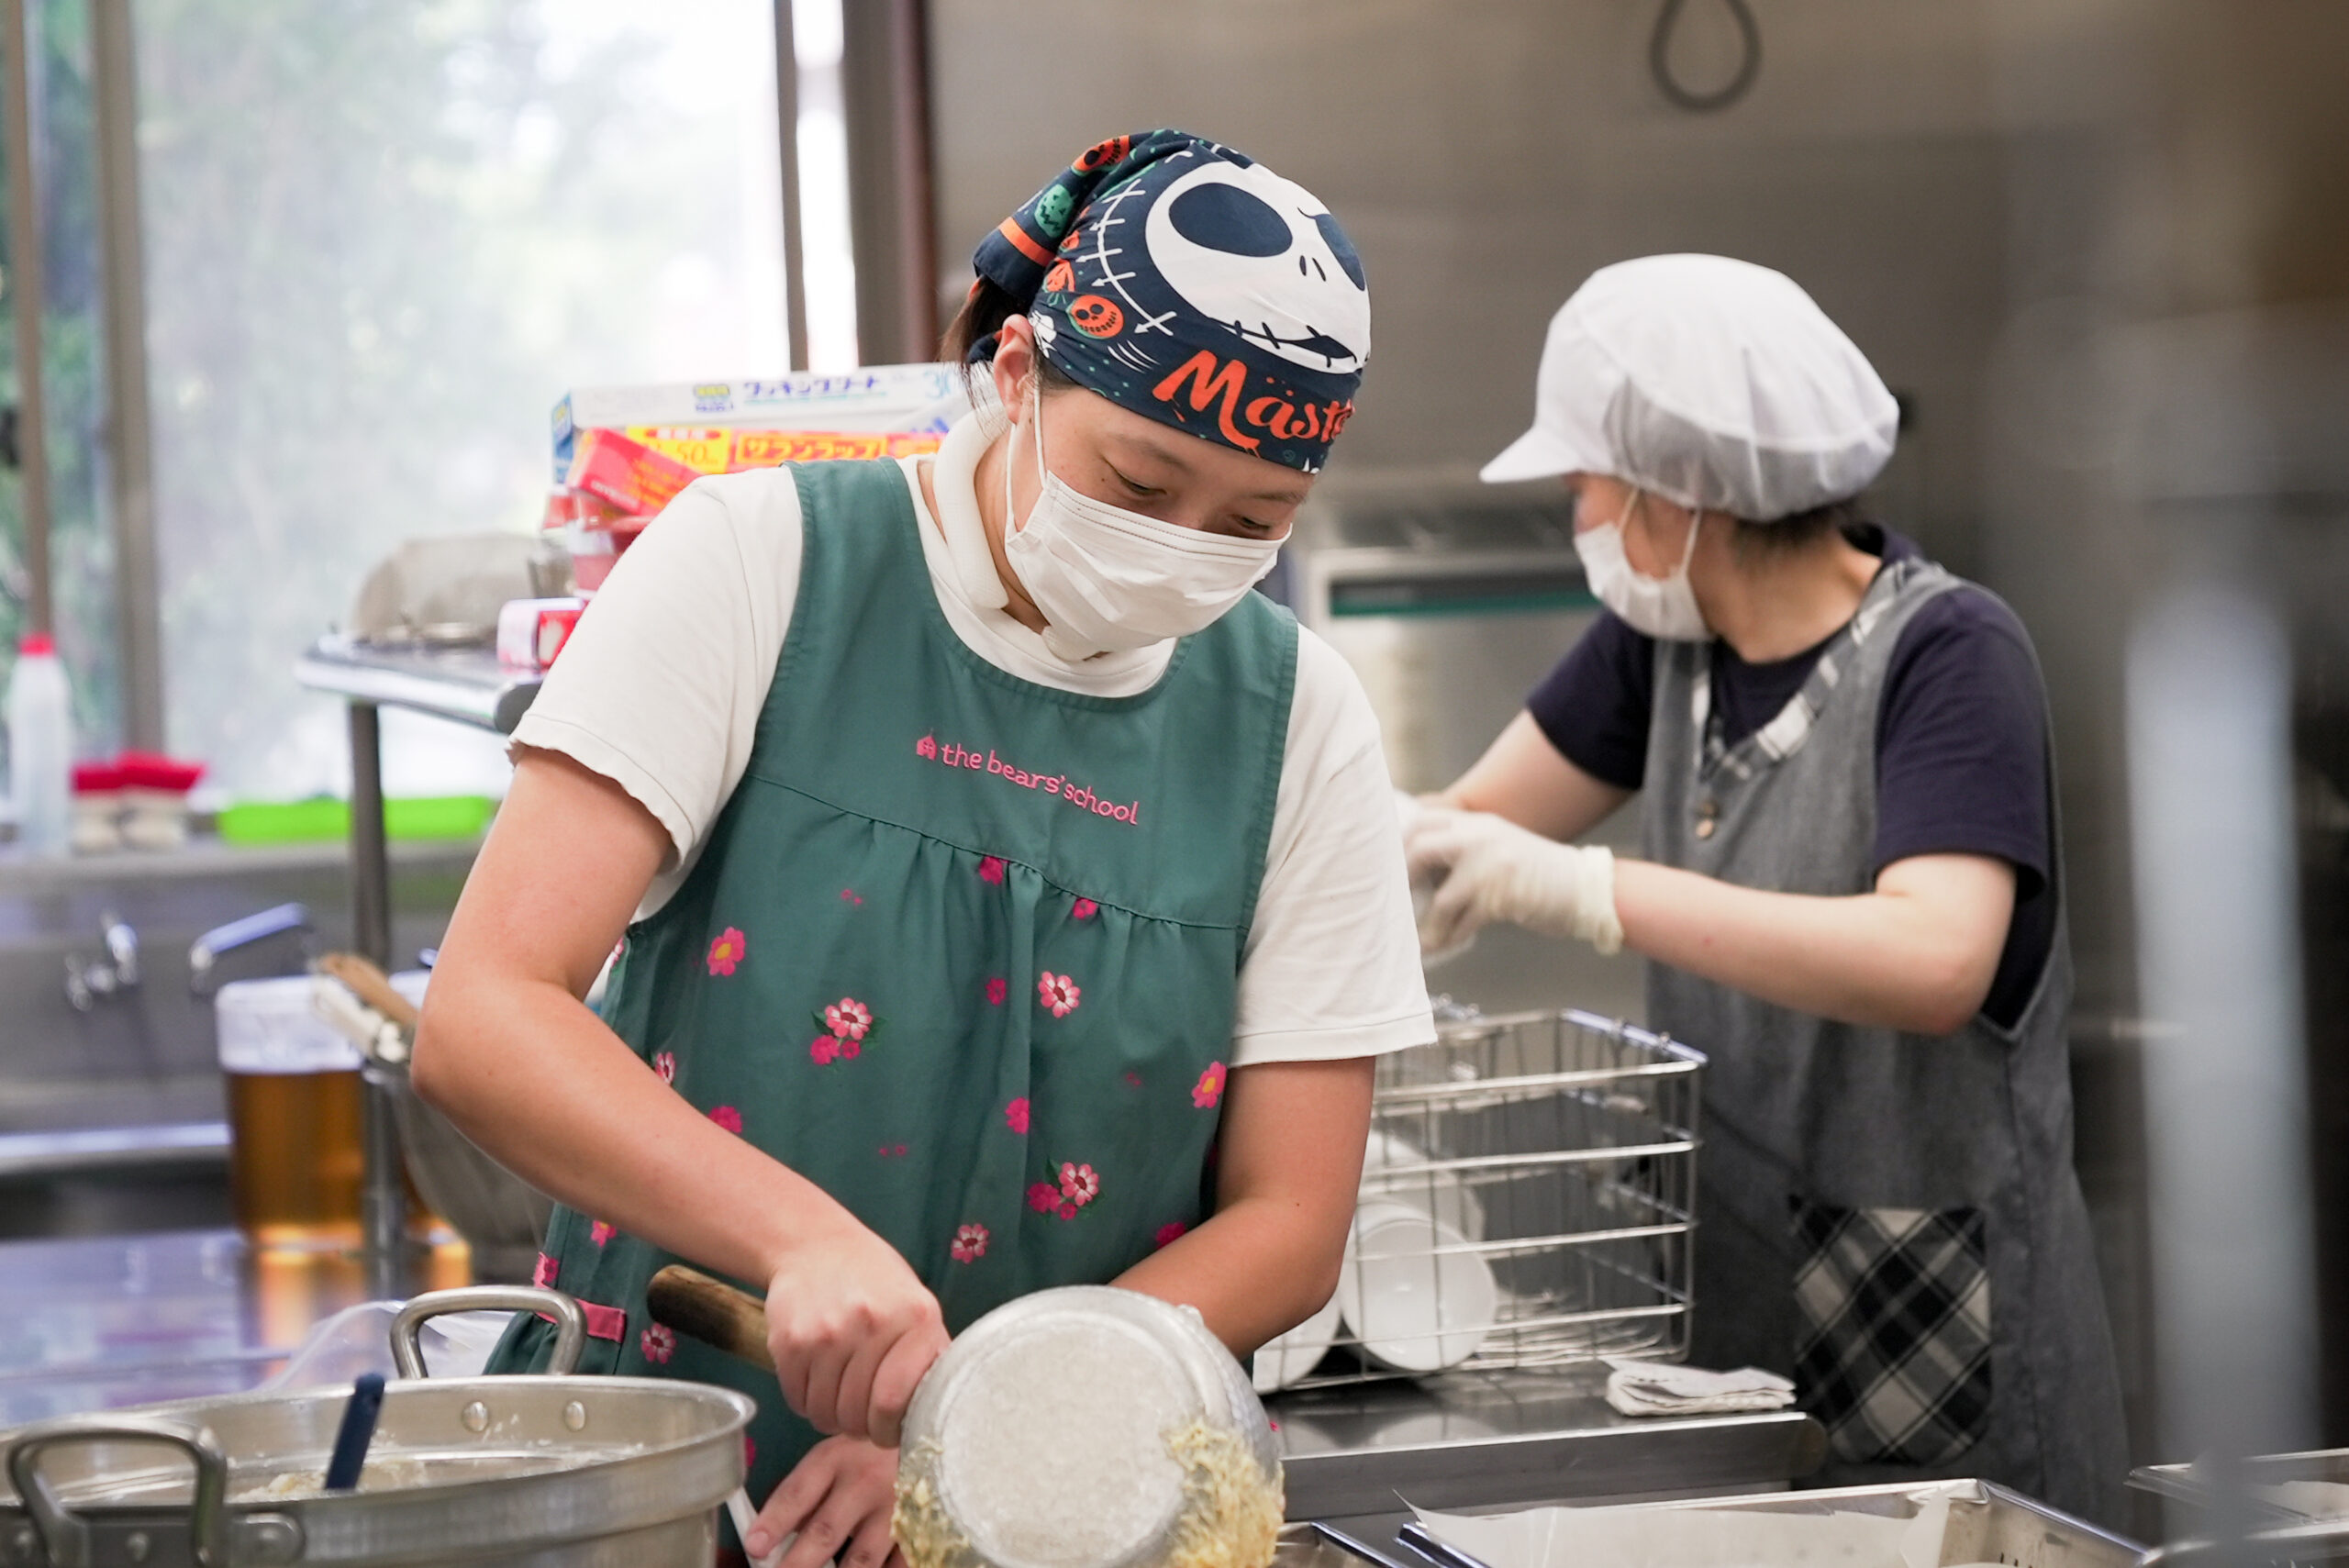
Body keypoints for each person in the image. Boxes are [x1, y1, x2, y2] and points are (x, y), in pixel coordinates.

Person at [414, 129, 1431, 1568]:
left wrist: (984, 1434)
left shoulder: (1296, 723)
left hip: (1066, 1514)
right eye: (1141, 484)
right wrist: (796, 1236)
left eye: (1251, 522)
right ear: (1018, 374)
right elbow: (484, 1015)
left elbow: (1290, 1216)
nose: (1182, 547)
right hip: (654, 1490)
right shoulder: (761, 560)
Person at [1407, 254, 2127, 1520]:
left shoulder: (1950, 654)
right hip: (1736, 1352)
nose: (1576, 516)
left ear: (1680, 498)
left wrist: (1587, 891)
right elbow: (1463, 826)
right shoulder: (1665, 647)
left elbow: (1934, 958)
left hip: (1934, 1347)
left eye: (1584, 483)